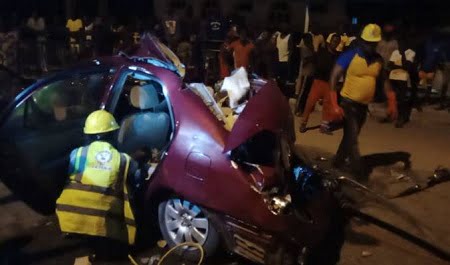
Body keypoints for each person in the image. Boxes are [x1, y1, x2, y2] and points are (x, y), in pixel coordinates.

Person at [56, 110, 151, 261]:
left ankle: (81, 234)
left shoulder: (77, 153)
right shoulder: (124, 160)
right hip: (103, 221)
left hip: (69, 216)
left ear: (88, 135)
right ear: (113, 134)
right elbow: (138, 180)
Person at [328, 24, 398, 179]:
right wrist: (334, 104)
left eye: (373, 44)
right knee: (352, 138)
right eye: (367, 43)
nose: (370, 46)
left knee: (350, 137)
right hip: (348, 103)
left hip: (363, 106)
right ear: (361, 41)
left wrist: (392, 102)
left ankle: (337, 162)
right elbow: (333, 77)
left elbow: (385, 82)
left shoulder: (378, 60)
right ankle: (358, 173)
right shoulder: (350, 55)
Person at [299, 33, 341, 133]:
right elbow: (311, 60)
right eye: (334, 41)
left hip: (329, 83)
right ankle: (303, 123)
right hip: (318, 82)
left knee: (327, 105)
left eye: (337, 41)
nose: (335, 43)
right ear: (330, 41)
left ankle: (324, 126)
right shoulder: (322, 52)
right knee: (310, 103)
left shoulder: (338, 56)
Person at [387, 36, 417, 127]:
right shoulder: (395, 52)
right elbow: (390, 65)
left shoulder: (410, 53)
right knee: (393, 98)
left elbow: (407, 67)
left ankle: (402, 118)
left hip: (403, 79)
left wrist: (402, 55)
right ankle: (391, 116)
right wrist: (400, 66)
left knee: (402, 99)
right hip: (392, 77)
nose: (400, 45)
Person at [295, 33, 315, 115]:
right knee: (302, 92)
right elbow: (305, 60)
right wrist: (313, 57)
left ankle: (302, 109)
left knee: (306, 93)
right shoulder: (304, 48)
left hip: (311, 73)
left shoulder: (311, 47)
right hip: (306, 73)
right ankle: (298, 109)